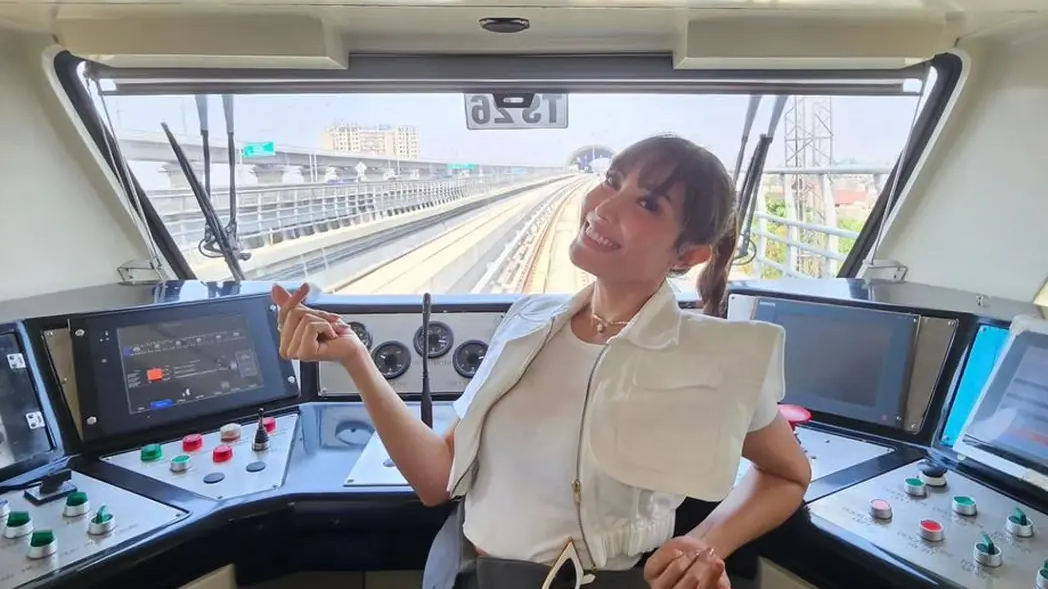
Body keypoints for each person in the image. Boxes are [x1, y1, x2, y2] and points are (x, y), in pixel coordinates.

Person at [273, 135, 811, 589]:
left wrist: (704, 542)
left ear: (688, 255)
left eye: (648, 204)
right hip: (463, 571)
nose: (604, 205)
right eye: (612, 179)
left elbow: (787, 474)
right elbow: (436, 479)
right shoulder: (527, 321)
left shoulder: (719, 357)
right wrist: (356, 359)